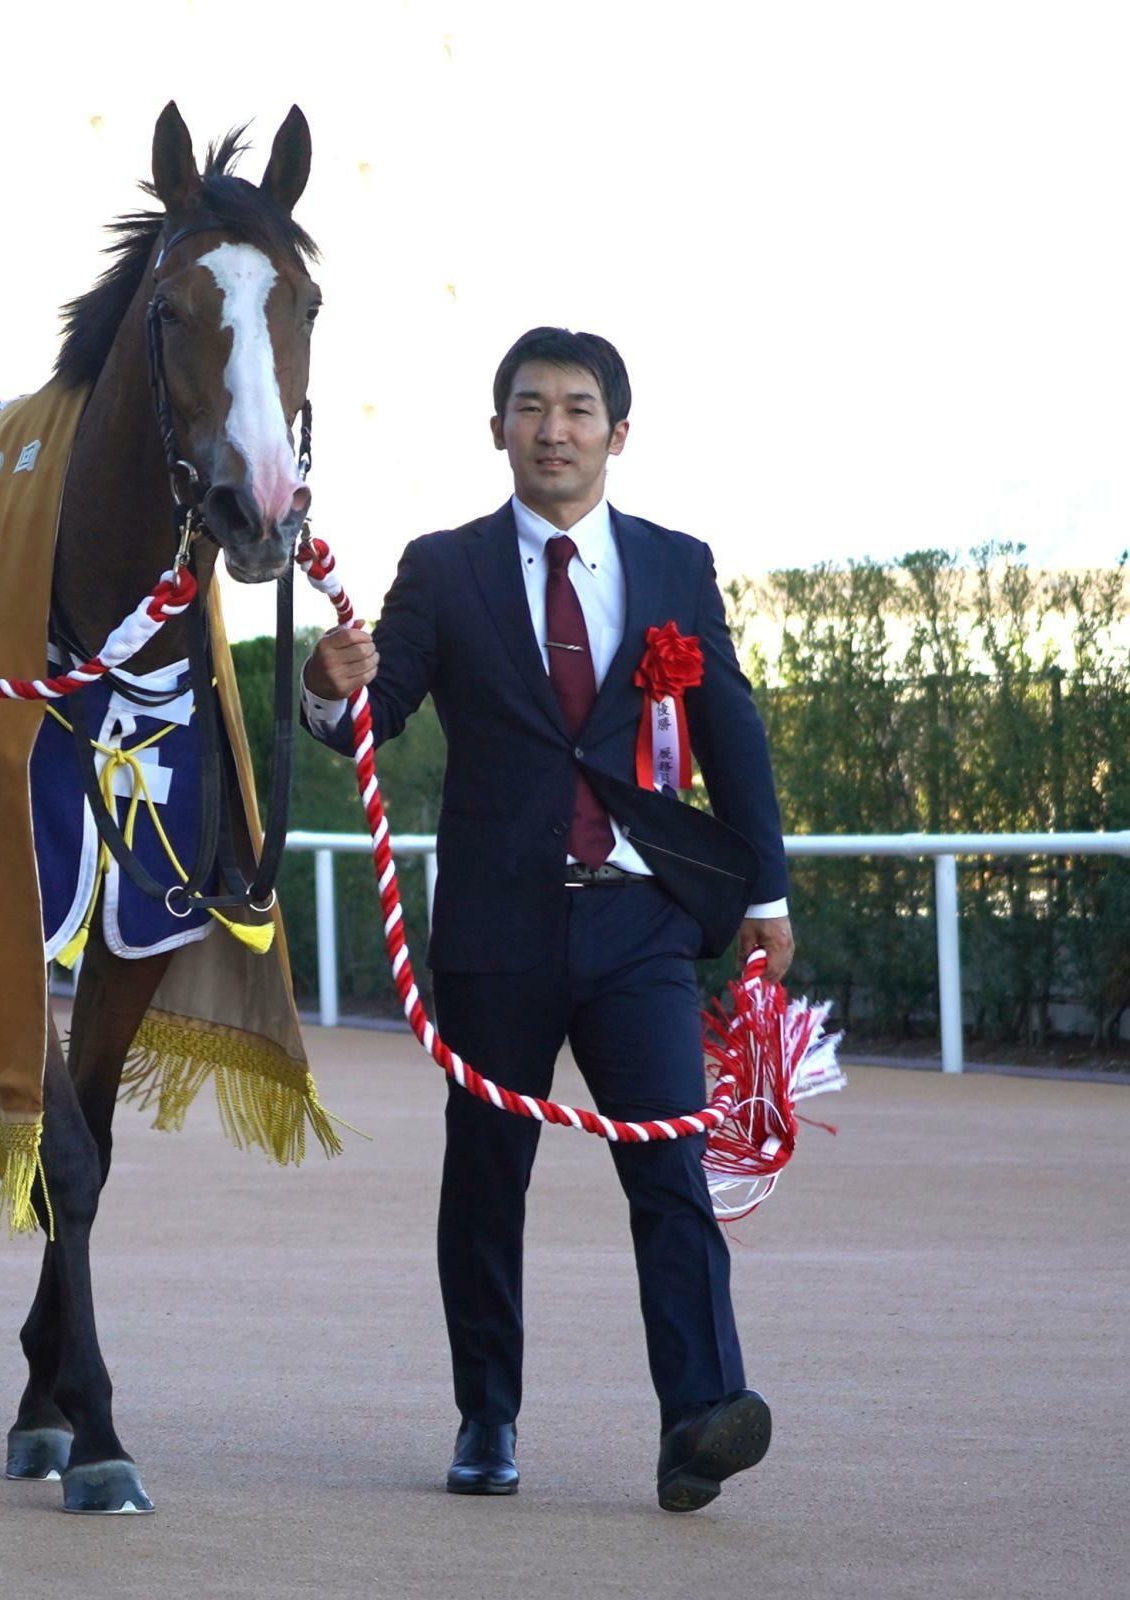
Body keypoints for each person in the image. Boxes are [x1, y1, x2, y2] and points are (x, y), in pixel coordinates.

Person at [302, 327, 794, 1513]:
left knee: (668, 1165)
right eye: (530, 407)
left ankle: (697, 1417)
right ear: (496, 430)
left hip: (641, 925)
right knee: (484, 1178)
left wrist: (764, 891)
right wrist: (329, 685)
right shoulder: (443, 566)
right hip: (495, 928)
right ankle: (487, 1414)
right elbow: (379, 711)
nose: (553, 429)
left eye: (577, 409)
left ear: (616, 433)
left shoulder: (676, 565)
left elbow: (727, 729)